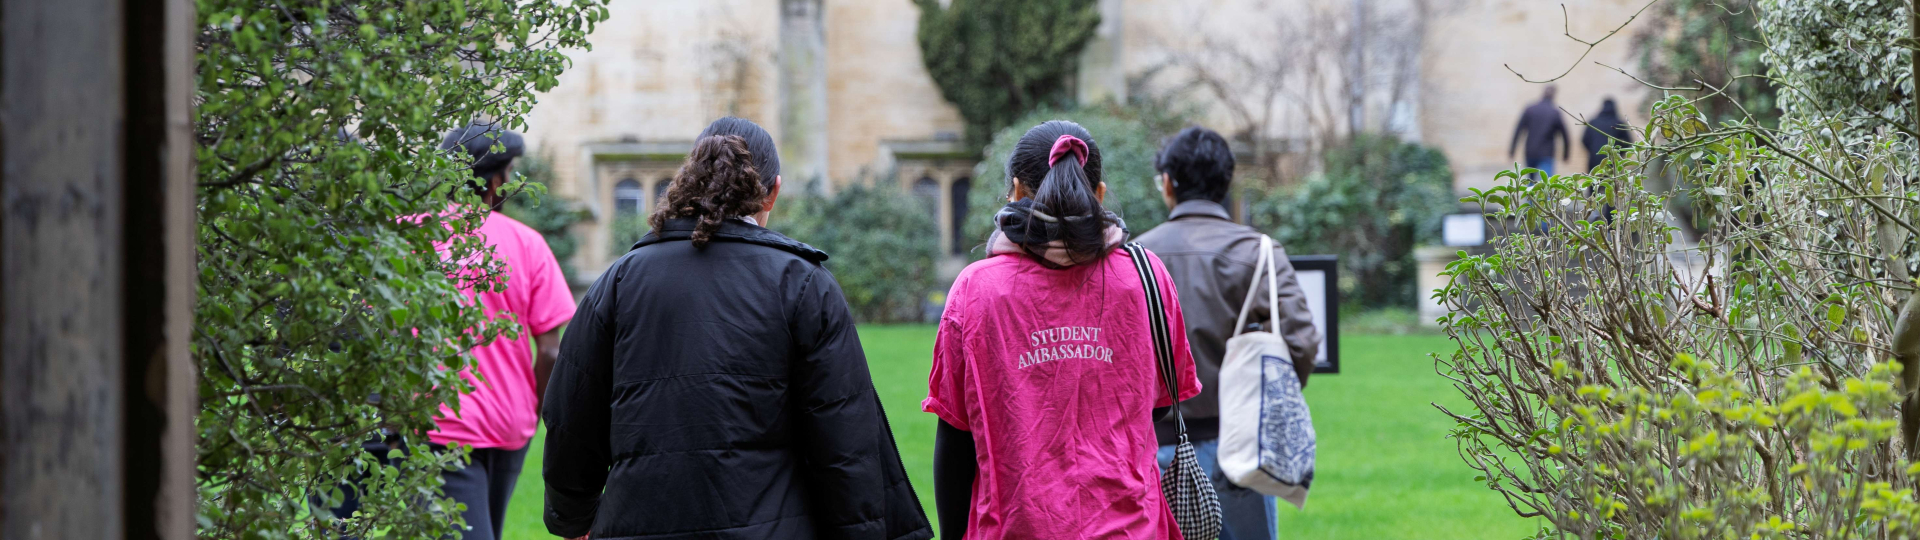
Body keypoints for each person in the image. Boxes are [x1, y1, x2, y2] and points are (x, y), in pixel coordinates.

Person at [542, 117, 933, 540]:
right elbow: (843, 439)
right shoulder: (802, 284)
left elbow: (572, 415)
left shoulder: (619, 281)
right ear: (773, 192)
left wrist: (573, 515)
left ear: (689, 180)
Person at [925, 120, 1203, 540]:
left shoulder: (976, 289)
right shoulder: (1146, 276)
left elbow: (955, 437)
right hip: (1132, 527)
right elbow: (1158, 402)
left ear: (1016, 192)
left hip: (1014, 526)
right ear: (1100, 194)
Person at [1135, 126, 1322, 540]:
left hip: (1153, 451)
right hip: (1242, 448)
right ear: (1226, 182)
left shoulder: (1136, 257)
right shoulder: (1258, 252)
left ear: (1167, 183)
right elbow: (1302, 340)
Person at [420, 120, 577, 540]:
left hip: (438, 423)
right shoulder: (527, 244)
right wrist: (549, 417)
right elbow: (549, 352)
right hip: (509, 426)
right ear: (494, 181)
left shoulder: (413, 233)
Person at [1509, 85, 1571, 177]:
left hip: (1530, 151)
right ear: (1554, 95)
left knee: (1530, 182)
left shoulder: (1530, 109)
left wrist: (1512, 150)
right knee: (1546, 182)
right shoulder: (1554, 112)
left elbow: (1518, 130)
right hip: (1547, 153)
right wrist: (1566, 154)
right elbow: (1565, 135)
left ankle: (1530, 191)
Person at [1583, 97, 1632, 172]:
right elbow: (1628, 142)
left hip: (1594, 160)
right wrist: (1618, 154)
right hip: (1613, 161)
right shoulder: (1619, 123)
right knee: (1613, 182)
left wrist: (1594, 151)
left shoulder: (1593, 122)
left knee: (1594, 182)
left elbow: (1584, 140)